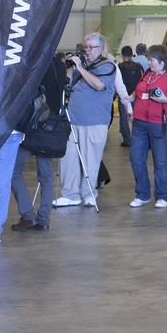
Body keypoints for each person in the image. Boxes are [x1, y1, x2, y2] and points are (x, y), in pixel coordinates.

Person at [54, 33, 116, 208]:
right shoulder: (81, 65)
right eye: (85, 47)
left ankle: (88, 193)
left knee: (91, 159)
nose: (87, 51)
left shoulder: (108, 66)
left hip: (95, 121)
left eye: (91, 48)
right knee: (69, 158)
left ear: (101, 48)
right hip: (73, 120)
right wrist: (69, 66)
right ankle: (70, 194)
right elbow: (67, 82)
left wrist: (80, 68)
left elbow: (98, 85)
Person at [10, 52, 69, 233]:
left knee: (14, 172)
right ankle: (44, 219)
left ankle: (28, 215)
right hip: (51, 127)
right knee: (46, 175)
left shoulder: (31, 64)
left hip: (32, 127)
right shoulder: (60, 65)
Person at [129, 45, 167, 208]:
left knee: (161, 161)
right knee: (136, 158)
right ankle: (143, 194)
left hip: (160, 123)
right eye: (148, 59)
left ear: (162, 61)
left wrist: (165, 100)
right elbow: (139, 90)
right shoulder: (147, 74)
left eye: (151, 59)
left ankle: (162, 196)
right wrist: (130, 97)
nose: (149, 62)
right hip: (140, 123)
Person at [116, 46, 141, 147]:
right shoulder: (137, 66)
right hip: (135, 95)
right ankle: (137, 137)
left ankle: (127, 139)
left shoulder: (119, 67)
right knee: (137, 117)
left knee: (124, 118)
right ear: (132, 54)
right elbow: (140, 80)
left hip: (123, 96)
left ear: (122, 55)